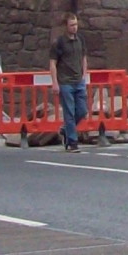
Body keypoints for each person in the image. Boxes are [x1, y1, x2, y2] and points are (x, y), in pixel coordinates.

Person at [48, 11, 89, 152]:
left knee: (82, 111)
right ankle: (72, 142)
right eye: (72, 25)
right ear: (66, 26)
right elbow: (53, 63)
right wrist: (55, 83)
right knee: (69, 112)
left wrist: (84, 74)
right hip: (65, 82)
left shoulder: (80, 40)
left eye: (76, 24)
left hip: (79, 81)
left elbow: (83, 57)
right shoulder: (59, 43)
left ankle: (66, 130)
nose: (74, 27)